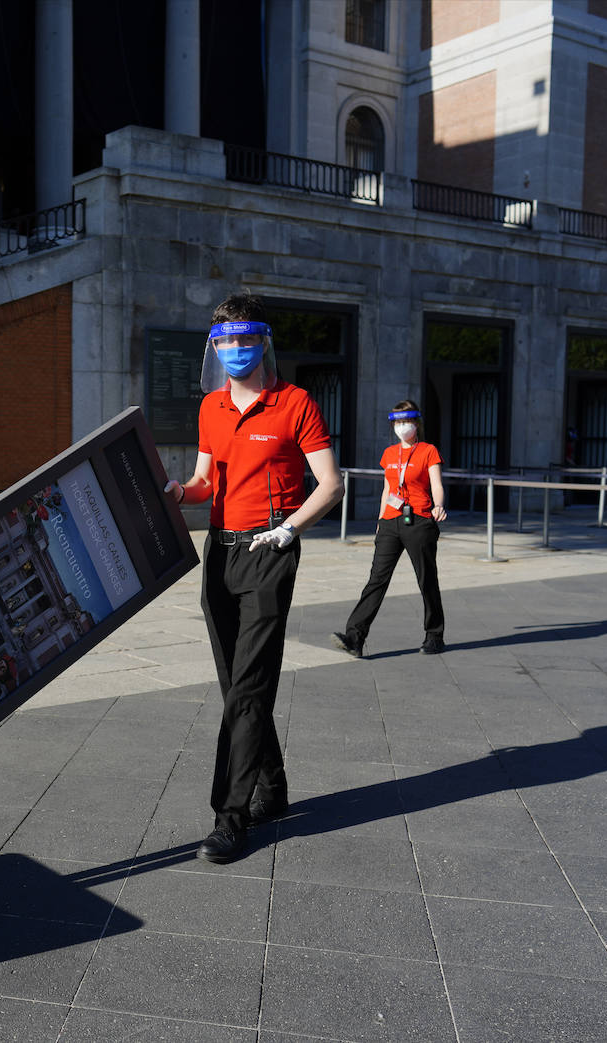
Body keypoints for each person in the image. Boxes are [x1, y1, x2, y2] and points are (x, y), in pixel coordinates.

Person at [164, 293, 343, 864]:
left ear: (262, 341)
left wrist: (290, 529)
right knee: (233, 684)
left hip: (270, 551)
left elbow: (330, 485)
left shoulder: (295, 404)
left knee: (249, 687)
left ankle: (230, 816)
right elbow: (204, 481)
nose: (235, 349)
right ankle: (274, 786)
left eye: (245, 339)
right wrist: (177, 493)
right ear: (214, 347)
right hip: (219, 554)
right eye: (225, 341)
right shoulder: (211, 407)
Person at [332, 400, 447, 657]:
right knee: (376, 580)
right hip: (391, 523)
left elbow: (436, 484)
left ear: (416, 423)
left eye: (405, 422)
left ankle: (434, 635)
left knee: (426, 579)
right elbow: (387, 489)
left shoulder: (428, 451)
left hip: (419, 521)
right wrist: (381, 520)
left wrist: (438, 505)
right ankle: (355, 637)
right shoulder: (389, 453)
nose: (401, 426)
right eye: (396, 422)